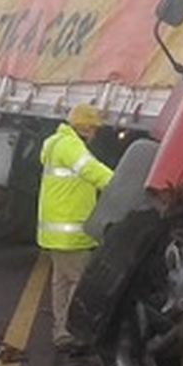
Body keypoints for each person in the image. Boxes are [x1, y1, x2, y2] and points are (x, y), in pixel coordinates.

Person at [38, 104, 114, 353]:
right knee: (78, 283)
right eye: (93, 128)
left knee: (61, 282)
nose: (94, 133)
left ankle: (61, 331)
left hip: (55, 231)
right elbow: (92, 171)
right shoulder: (70, 146)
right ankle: (72, 332)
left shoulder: (55, 144)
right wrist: (119, 184)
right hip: (70, 233)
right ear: (84, 127)